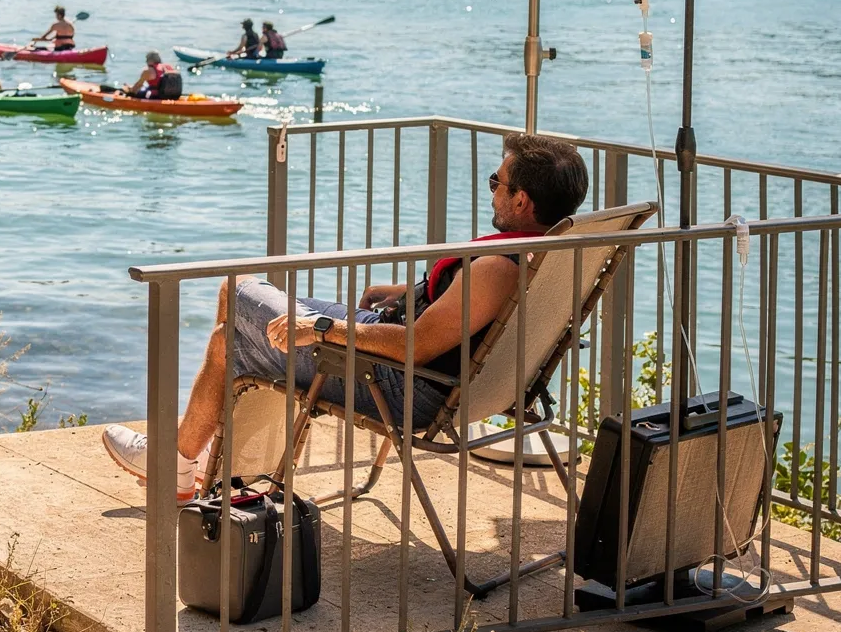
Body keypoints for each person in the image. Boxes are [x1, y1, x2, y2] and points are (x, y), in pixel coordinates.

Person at [99, 132, 588, 501]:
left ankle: (181, 463)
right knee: (234, 335)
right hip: (412, 361)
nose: (492, 192)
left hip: (398, 383)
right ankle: (204, 461)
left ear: (522, 200)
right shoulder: (547, 255)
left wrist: (324, 329)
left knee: (236, 299)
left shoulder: (497, 270)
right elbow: (457, 315)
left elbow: (419, 345)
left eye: (496, 182)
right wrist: (405, 292)